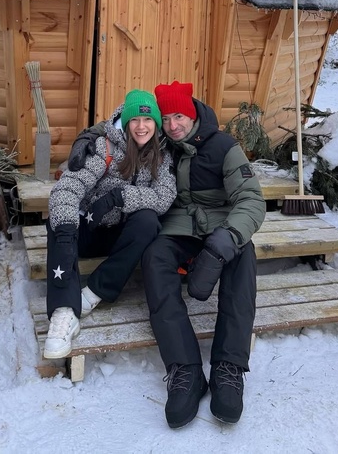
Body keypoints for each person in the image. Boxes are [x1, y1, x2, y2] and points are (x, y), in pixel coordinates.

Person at [68, 81, 266, 428]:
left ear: (192, 115)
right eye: (168, 118)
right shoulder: (160, 143)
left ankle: (229, 367)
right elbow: (121, 125)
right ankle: (184, 369)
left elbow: (251, 199)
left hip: (219, 227)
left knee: (243, 253)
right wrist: (86, 138)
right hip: (176, 229)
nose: (173, 125)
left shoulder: (224, 147)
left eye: (180, 117)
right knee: (155, 256)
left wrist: (227, 238)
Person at [44, 89, 176, 359]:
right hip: (89, 228)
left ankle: (95, 291)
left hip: (119, 234)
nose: (141, 126)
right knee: (59, 221)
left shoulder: (162, 155)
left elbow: (164, 197)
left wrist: (120, 196)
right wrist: (67, 232)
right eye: (135, 120)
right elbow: (67, 187)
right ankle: (63, 312)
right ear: (126, 122)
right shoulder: (104, 147)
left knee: (148, 221)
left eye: (148, 120)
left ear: (156, 123)